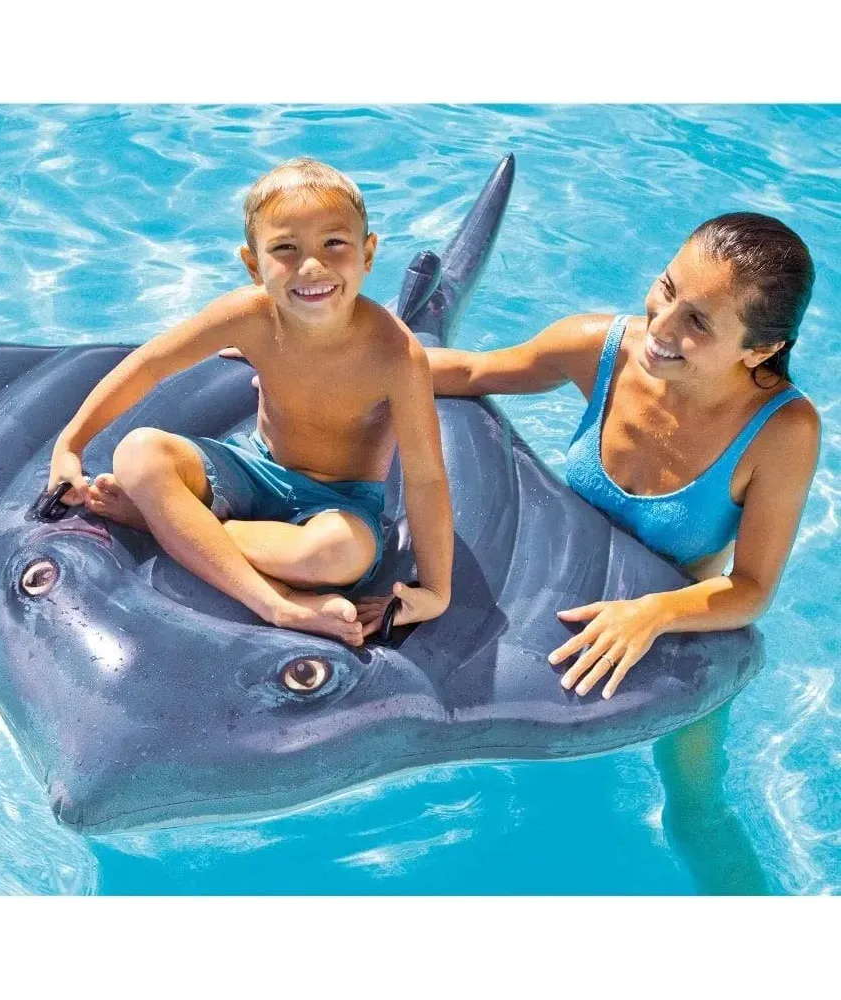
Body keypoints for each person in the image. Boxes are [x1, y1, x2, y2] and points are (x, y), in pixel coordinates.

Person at [373, 212, 821, 892]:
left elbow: (753, 588)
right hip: (552, 608)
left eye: (698, 322)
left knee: (695, 812)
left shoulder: (782, 432)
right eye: (667, 288)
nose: (662, 326)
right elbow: (468, 371)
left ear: (760, 350)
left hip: (676, 639)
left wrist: (652, 614)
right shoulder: (599, 348)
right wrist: (311, 355)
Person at [46, 157, 452, 648]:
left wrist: (436, 591)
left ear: (368, 253)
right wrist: (70, 444)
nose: (312, 266)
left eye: (334, 243)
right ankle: (277, 601)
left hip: (339, 503)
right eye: (285, 248)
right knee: (137, 452)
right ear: (254, 265)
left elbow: (425, 477)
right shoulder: (249, 314)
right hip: (252, 469)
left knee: (338, 556)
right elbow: (150, 365)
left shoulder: (396, 354)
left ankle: (172, 523)